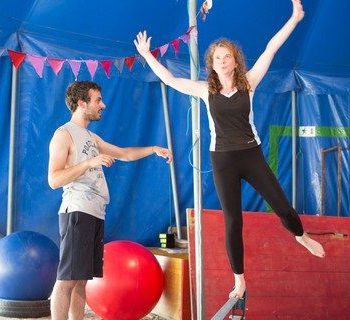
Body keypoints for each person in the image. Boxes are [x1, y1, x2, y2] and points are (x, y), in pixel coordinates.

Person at [134, 0, 324, 300]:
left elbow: (270, 49)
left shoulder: (249, 83)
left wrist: (295, 18)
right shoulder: (205, 90)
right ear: (211, 63)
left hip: (251, 154)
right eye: (217, 57)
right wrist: (147, 55)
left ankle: (300, 235)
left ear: (235, 61)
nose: (222, 61)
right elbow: (171, 79)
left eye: (227, 56)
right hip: (222, 159)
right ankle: (239, 279)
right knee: (233, 220)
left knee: (281, 204)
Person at [47, 80, 172, 320]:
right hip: (77, 211)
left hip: (95, 212)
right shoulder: (63, 134)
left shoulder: (92, 137)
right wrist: (88, 163)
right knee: (67, 280)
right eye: (97, 100)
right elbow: (54, 179)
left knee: (81, 280)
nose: (103, 105)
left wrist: (154, 148)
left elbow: (124, 153)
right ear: (82, 104)